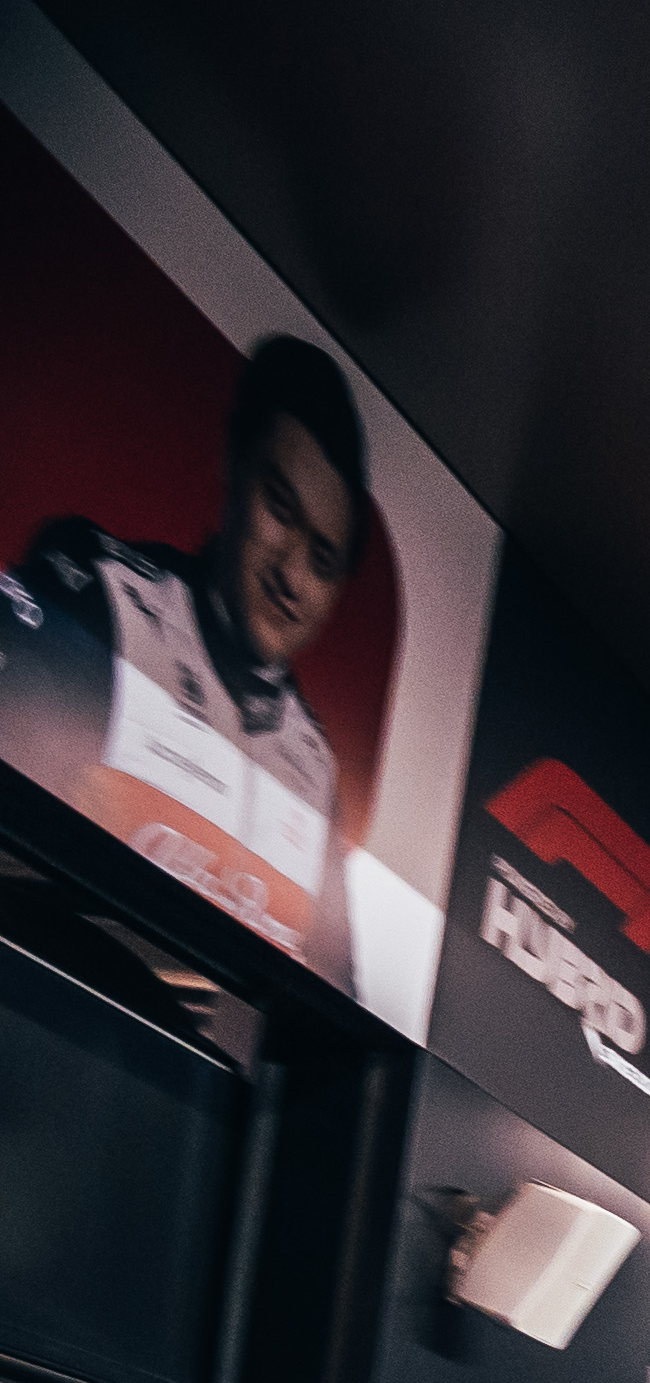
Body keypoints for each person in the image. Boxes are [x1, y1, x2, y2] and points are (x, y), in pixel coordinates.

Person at [0, 332, 377, 960]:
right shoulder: (104, 596)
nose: (291, 574)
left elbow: (326, 1014)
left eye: (323, 561)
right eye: (280, 509)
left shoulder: (316, 770)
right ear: (234, 467)